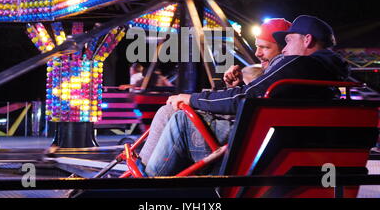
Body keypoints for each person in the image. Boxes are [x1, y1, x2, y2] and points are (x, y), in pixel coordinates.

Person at [145, 15, 349, 176]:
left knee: (180, 118)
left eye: (287, 41)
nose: (285, 49)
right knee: (175, 114)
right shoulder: (329, 74)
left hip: (252, 153)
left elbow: (247, 97)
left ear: (307, 39)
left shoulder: (298, 64)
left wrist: (192, 99)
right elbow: (255, 95)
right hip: (286, 149)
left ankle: (143, 186)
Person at [138, 18, 291, 166]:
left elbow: (242, 100)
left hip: (243, 141)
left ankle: (143, 177)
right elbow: (246, 98)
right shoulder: (276, 72)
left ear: (284, 47)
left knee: (172, 115)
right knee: (170, 112)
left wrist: (191, 99)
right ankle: (143, 170)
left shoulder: (280, 71)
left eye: (265, 47)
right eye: (257, 46)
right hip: (246, 134)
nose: (257, 53)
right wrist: (234, 88)